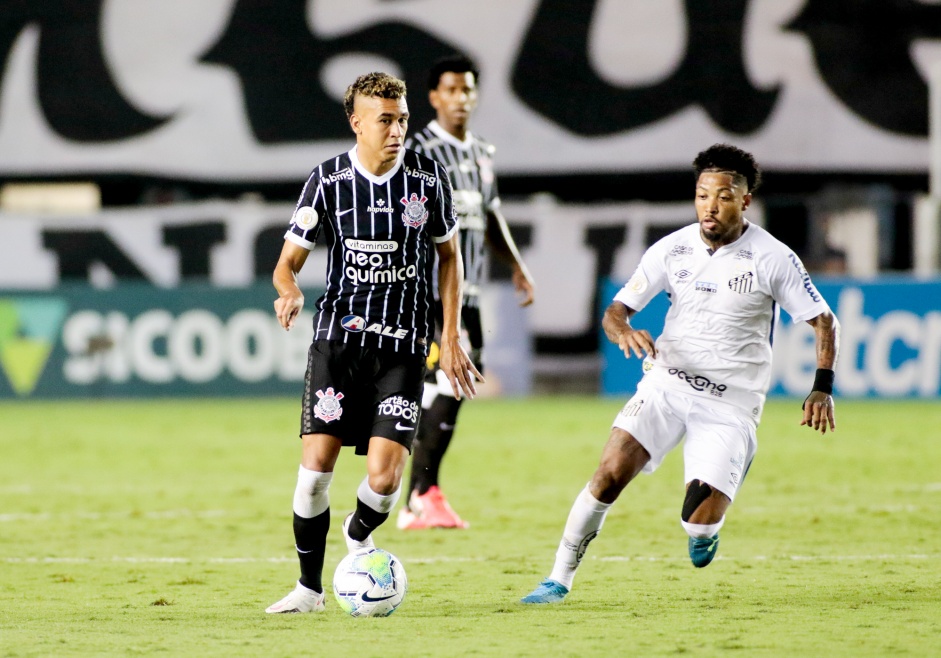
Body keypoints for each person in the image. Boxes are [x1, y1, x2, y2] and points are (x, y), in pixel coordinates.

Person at [521, 144, 840, 604]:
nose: (711, 206)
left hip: (730, 404)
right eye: (702, 195)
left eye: (724, 196)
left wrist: (821, 387)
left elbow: (823, 320)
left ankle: (706, 526)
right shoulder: (671, 249)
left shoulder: (773, 258)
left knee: (698, 521)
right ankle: (557, 578)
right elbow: (616, 309)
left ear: (745, 200)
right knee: (608, 473)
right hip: (667, 383)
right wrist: (622, 330)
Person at [265, 71, 482, 614]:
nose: (396, 130)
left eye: (402, 119)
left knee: (385, 482)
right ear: (356, 122)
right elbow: (286, 264)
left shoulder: (427, 179)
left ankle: (358, 533)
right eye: (385, 120)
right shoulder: (328, 181)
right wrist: (288, 290)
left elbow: (449, 257)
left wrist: (450, 336)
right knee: (315, 470)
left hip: (404, 348)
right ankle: (309, 590)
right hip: (339, 343)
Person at [396, 55, 535, 530]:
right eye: (451, 90)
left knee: (447, 387)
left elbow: (490, 215)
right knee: (449, 384)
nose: (461, 98)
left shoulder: (480, 151)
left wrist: (516, 265)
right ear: (434, 97)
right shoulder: (417, 151)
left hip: (469, 295)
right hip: (432, 293)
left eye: (467, 90)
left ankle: (417, 493)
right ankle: (420, 494)